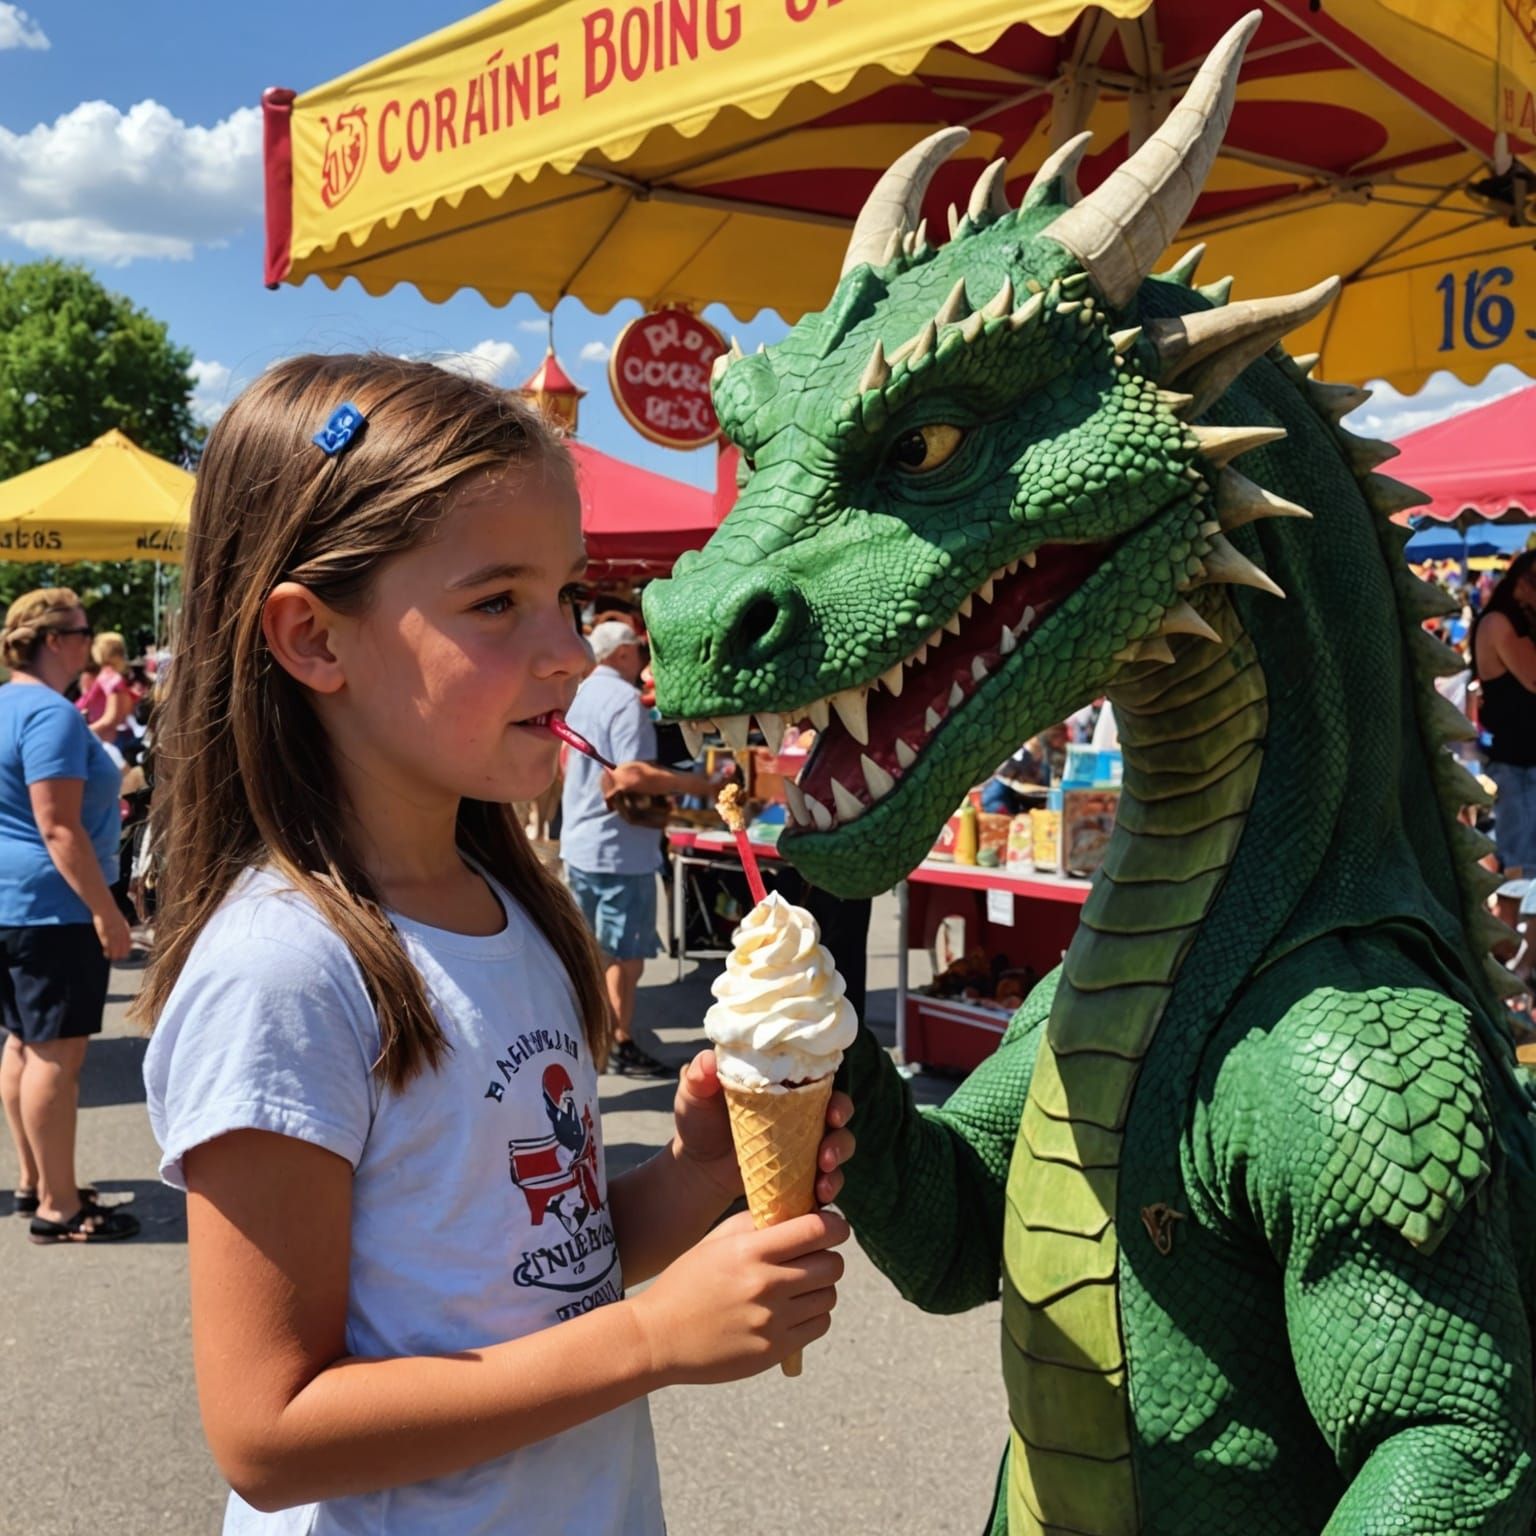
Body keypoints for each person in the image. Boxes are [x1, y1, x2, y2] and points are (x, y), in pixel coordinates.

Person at [136, 355, 852, 1534]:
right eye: (496, 602)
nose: (569, 650)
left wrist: (697, 1179)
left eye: (567, 596)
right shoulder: (285, 973)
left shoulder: (511, 908)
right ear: (314, 640)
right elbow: (268, 1430)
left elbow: (531, 1272)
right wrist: (654, 1339)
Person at [0, 587, 138, 1243]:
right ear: (56, 641)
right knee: (57, 1054)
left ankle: (37, 1181)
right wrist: (108, 912)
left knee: (24, 1043)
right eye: (83, 633)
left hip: (12, 903)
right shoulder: (50, 715)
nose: (90, 644)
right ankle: (60, 1205)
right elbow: (59, 829)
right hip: (54, 907)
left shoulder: (5, 705)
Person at [561, 620, 718, 1076]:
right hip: (619, 848)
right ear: (624, 653)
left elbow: (565, 763)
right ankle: (619, 1042)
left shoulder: (583, 693)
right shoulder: (625, 701)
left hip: (583, 839)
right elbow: (632, 773)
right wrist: (700, 784)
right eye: (640, 649)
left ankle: (599, 1037)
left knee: (597, 951)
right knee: (626, 956)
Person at [1470, 548, 1536, 964]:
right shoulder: (1501, 622)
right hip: (1517, 766)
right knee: (1521, 870)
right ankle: (1511, 971)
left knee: (1525, 871)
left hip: (1524, 763)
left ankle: (1520, 969)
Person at [77, 630, 137, 752]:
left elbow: (111, 718)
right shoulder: (111, 676)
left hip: (108, 744)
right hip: (109, 741)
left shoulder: (109, 677)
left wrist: (80, 734)